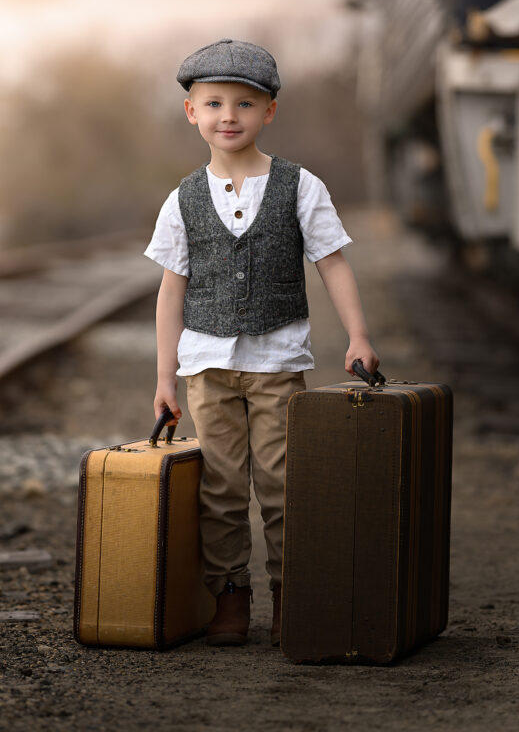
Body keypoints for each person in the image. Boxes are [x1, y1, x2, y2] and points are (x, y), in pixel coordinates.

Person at [144, 38, 379, 648]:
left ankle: (287, 594)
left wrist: (358, 335)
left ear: (269, 111)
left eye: (244, 104)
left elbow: (332, 262)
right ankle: (229, 598)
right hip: (207, 366)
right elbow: (172, 293)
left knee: (280, 484)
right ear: (191, 112)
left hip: (276, 364)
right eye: (214, 103)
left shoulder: (300, 186)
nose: (229, 116)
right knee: (221, 490)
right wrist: (165, 379)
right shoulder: (183, 198)